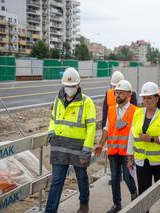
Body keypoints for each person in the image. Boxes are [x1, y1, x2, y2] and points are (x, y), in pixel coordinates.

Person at [46, 68, 96, 213]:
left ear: (78, 85)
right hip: (59, 146)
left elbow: (91, 127)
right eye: (67, 86)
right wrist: (51, 130)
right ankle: (50, 211)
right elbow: (53, 119)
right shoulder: (58, 99)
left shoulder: (87, 102)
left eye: (72, 86)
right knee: (56, 181)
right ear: (63, 85)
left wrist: (87, 148)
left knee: (81, 178)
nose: (69, 89)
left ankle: (84, 203)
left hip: (79, 148)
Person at [127, 82, 160, 213]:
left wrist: (153, 139)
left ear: (156, 98)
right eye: (144, 97)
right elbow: (131, 136)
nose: (146, 100)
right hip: (142, 160)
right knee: (143, 194)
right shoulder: (138, 113)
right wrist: (129, 156)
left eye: (149, 97)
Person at [94, 80, 137, 213]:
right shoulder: (112, 110)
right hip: (113, 150)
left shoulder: (135, 111)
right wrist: (100, 144)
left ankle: (134, 196)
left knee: (128, 178)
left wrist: (133, 153)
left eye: (120, 93)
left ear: (129, 94)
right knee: (114, 178)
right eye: (116, 92)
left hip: (127, 152)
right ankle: (116, 204)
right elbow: (107, 129)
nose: (117, 95)